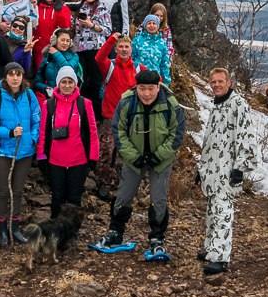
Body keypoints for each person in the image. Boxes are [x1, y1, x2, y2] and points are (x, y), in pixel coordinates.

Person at [93, 69, 185, 261]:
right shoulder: (127, 102)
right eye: (142, 88)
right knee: (124, 196)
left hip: (160, 161)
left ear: (158, 87)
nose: (146, 93)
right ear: (136, 87)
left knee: (158, 199)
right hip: (133, 159)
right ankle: (115, 233)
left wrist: (158, 156)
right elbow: (118, 131)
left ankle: (157, 239)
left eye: (151, 89)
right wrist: (133, 156)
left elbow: (176, 134)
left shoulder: (170, 104)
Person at [198, 68, 257, 277]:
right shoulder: (217, 106)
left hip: (227, 169)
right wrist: (202, 166)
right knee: (212, 210)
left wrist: (241, 168)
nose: (216, 85)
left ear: (229, 82)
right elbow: (210, 139)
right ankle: (210, 247)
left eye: (220, 81)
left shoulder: (238, 104)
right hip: (213, 169)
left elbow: (247, 136)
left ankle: (220, 257)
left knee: (223, 211)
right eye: (213, 82)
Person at [0, 62, 41, 246]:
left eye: (18, 74)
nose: (15, 78)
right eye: (11, 74)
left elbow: (36, 119)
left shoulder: (29, 95)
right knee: (2, 191)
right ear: (5, 76)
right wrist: (8, 133)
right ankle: (2, 229)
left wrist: (32, 138)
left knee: (17, 191)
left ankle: (15, 227)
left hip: (24, 151)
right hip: (2, 150)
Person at [37, 66, 99, 219]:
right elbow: (43, 131)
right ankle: (55, 231)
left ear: (75, 84)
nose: (67, 85)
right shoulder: (49, 104)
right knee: (57, 196)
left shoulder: (85, 104)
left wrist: (93, 156)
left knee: (74, 197)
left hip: (78, 159)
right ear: (58, 83)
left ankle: (72, 231)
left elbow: (92, 131)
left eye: (70, 82)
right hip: (55, 159)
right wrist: (41, 155)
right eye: (63, 82)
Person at [93, 33, 146, 200]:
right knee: (107, 151)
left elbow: (154, 81)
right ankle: (103, 184)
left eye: (126, 47)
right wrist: (111, 40)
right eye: (121, 47)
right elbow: (98, 57)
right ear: (116, 49)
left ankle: (127, 186)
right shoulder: (110, 66)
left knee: (130, 151)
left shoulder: (138, 69)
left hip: (131, 117)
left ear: (131, 49)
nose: (124, 49)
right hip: (111, 115)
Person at [71, 0, 111, 98]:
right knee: (82, 79)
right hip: (80, 49)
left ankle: (96, 109)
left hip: (96, 49)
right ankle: (82, 107)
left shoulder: (103, 8)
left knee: (96, 80)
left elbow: (108, 30)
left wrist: (91, 25)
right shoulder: (79, 7)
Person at [33, 0, 73, 71]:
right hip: (39, 50)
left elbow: (66, 27)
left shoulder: (61, 8)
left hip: (56, 50)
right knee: (41, 75)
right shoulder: (36, 6)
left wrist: (61, 9)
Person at [36, 29, 82, 97]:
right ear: (55, 41)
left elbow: (68, 69)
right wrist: (45, 88)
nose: (65, 43)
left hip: (70, 97)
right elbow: (37, 81)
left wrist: (56, 54)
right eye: (62, 40)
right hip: (52, 98)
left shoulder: (74, 56)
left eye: (68, 41)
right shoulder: (48, 57)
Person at [132, 14, 172, 87]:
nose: (152, 25)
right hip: (138, 79)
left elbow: (164, 64)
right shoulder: (137, 40)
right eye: (149, 23)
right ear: (145, 25)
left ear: (158, 26)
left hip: (155, 80)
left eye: (154, 23)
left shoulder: (162, 43)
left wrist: (166, 82)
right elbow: (130, 59)